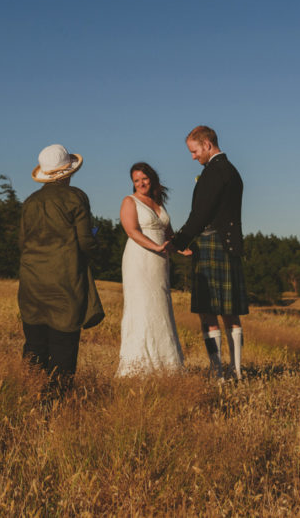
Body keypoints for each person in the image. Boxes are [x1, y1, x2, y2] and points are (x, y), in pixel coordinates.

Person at [18, 143, 104, 395]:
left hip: (31, 284)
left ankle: (30, 398)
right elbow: (86, 241)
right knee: (63, 350)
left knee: (34, 346)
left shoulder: (30, 202)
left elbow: (22, 243)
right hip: (65, 283)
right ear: (68, 172)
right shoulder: (76, 197)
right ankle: (56, 405)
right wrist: (98, 247)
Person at [165, 125, 248, 379]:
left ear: (207, 145)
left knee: (208, 311)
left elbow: (200, 215)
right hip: (230, 244)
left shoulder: (213, 172)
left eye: (194, 151)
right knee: (231, 313)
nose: (193, 157)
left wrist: (177, 242)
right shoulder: (232, 171)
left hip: (212, 245)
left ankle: (217, 373)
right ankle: (236, 372)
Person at [116, 161, 186, 376]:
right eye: (136, 181)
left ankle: (167, 366)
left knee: (160, 307)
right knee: (142, 307)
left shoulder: (158, 203)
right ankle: (137, 367)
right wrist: (155, 246)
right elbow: (132, 231)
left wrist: (182, 249)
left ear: (152, 178)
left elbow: (169, 235)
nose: (141, 183)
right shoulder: (130, 201)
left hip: (160, 261)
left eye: (144, 179)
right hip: (140, 258)